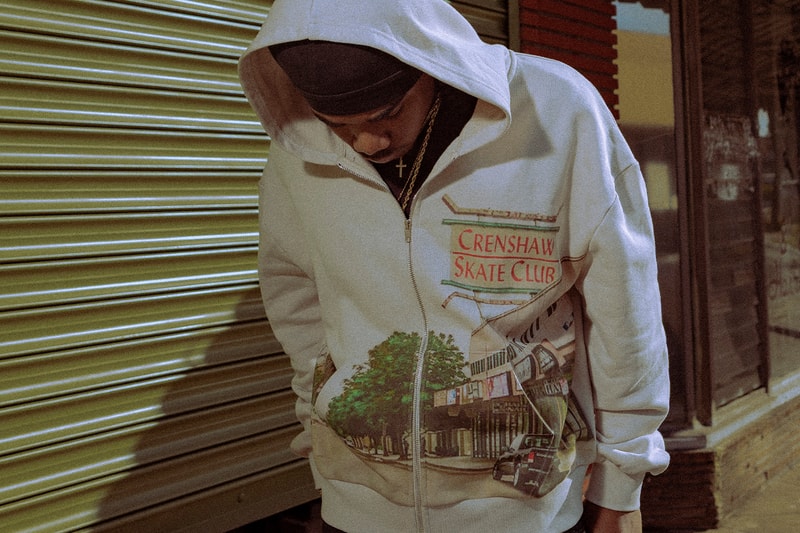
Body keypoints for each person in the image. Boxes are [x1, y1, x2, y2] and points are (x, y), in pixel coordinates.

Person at [238, 1, 670, 531]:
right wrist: (321, 440)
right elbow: (298, 300)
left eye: (385, 113)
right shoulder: (297, 147)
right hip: (356, 509)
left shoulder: (557, 111)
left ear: (429, 62)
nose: (368, 142)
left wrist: (623, 484)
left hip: (530, 513)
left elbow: (625, 308)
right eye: (338, 125)